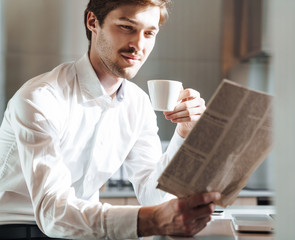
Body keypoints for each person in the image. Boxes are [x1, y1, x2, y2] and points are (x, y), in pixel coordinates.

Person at [0, 0, 221, 239]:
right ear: (93, 22)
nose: (139, 45)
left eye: (149, 33)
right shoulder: (40, 98)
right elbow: (52, 211)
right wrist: (153, 220)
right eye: (127, 27)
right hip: (18, 227)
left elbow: (154, 196)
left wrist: (185, 134)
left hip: (83, 228)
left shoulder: (138, 103)